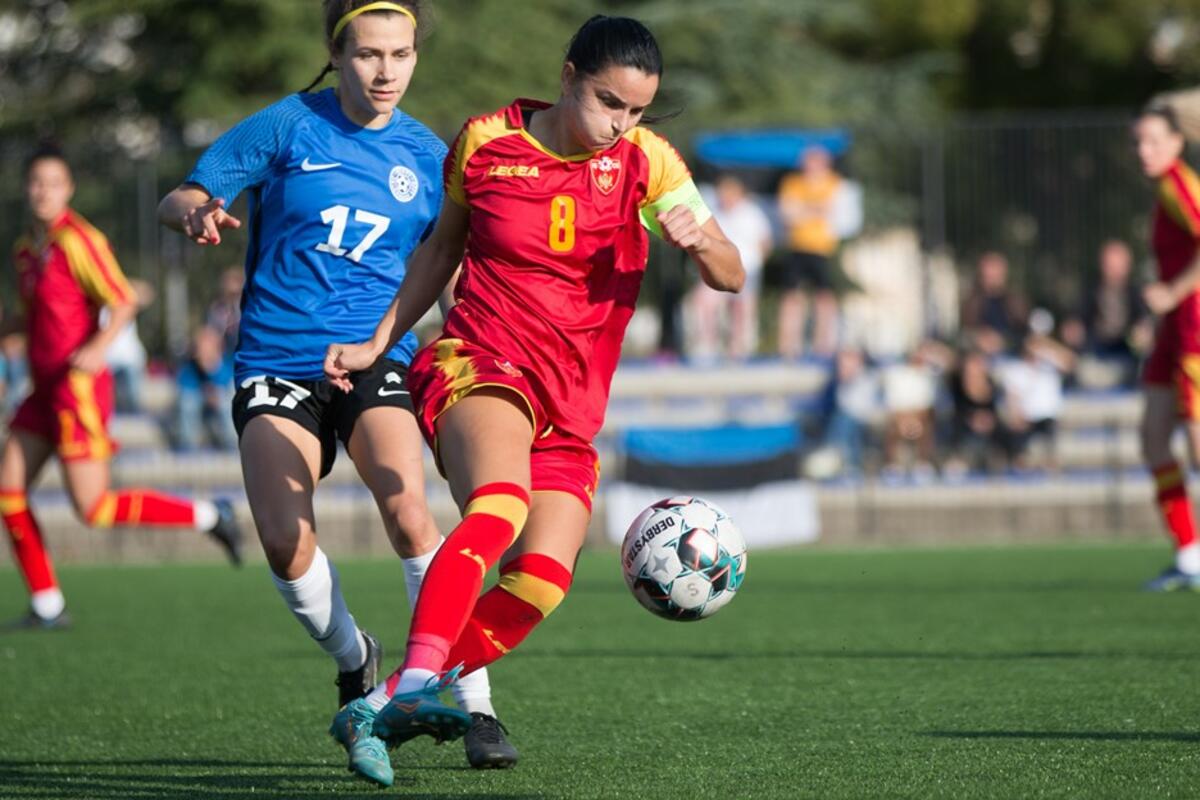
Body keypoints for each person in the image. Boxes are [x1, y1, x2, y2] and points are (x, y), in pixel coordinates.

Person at [324, 14, 744, 785]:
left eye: (637, 110)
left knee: (541, 580)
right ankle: (416, 688)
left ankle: (378, 704)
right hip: (480, 362)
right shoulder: (486, 142)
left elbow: (732, 274)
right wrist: (378, 341)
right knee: (500, 507)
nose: (621, 123)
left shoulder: (647, 162)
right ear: (567, 76)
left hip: (572, 404)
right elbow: (440, 252)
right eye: (608, 102)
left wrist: (703, 243)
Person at [156, 0, 511, 773]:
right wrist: (196, 212)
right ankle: (356, 658)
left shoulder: (428, 155)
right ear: (335, 51)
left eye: (401, 54)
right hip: (275, 362)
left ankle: (478, 705)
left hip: (374, 354)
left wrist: (469, 345)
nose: (386, 71)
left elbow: (446, 264)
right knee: (285, 541)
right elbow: (179, 194)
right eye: (368, 54)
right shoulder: (287, 125)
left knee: (410, 512)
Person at [0, 145, 243, 629]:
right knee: (8, 491)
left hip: (76, 392)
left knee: (93, 508)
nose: (43, 191)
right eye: (36, 182)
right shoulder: (26, 249)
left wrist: (98, 345)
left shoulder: (79, 240)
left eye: (53, 183)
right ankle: (48, 604)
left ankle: (210, 515)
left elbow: (123, 300)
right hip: (42, 390)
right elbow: (35, 318)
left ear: (68, 189)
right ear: (26, 188)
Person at [1133, 103, 1200, 591]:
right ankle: (1190, 555)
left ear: (1178, 143)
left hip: (1195, 324)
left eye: (1154, 140)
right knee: (1154, 435)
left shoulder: (1180, 185)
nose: (1144, 150)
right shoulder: (1163, 190)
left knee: (1197, 443)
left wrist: (1173, 292)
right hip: (1173, 329)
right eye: (1138, 141)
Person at [775, 145, 861, 358]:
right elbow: (788, 214)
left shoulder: (836, 183)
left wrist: (804, 210)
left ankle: (823, 345)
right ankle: (788, 347)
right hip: (797, 246)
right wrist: (816, 209)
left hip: (823, 249)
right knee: (791, 297)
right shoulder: (793, 183)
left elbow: (837, 212)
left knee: (824, 298)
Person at [687, 174, 772, 361]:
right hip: (717, 268)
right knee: (703, 303)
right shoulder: (712, 212)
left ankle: (738, 349)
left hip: (747, 269)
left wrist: (757, 262)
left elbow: (765, 242)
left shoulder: (751, 213)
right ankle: (707, 344)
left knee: (741, 309)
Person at [1061, 239, 1152, 386]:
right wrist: (1073, 329)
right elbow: (1076, 318)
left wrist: (1142, 332)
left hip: (1127, 353)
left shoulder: (1136, 292)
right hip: (1096, 352)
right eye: (1109, 266)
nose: (1113, 271)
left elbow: (1144, 320)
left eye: (1117, 266)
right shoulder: (1090, 289)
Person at [171, 325, 237, 451]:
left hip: (218, 401)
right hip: (198, 400)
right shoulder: (189, 367)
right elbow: (184, 386)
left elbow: (227, 384)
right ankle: (187, 444)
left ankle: (231, 444)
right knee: (187, 403)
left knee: (226, 402)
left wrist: (211, 369)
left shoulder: (226, 363)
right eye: (201, 347)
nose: (203, 351)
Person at [960, 251, 1029, 356]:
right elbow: (965, 333)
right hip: (981, 355)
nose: (990, 279)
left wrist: (1003, 341)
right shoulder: (972, 302)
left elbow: (1025, 334)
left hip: (1012, 354)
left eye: (994, 275)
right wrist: (978, 338)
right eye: (987, 275)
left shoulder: (1015, 302)